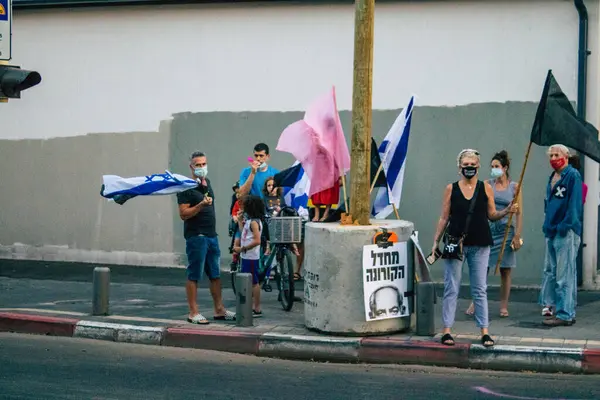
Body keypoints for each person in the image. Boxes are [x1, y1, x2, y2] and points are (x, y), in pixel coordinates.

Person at [431, 149, 518, 348]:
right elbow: (444, 217)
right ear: (459, 167)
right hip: (455, 243)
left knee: (479, 288)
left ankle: (484, 331)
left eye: (472, 165)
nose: (469, 168)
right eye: (465, 165)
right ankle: (447, 330)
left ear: (478, 166)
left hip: (480, 242)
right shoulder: (451, 189)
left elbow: (492, 214)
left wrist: (507, 211)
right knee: (451, 286)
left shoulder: (485, 188)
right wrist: (436, 241)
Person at [177, 151, 236, 324]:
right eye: (198, 165)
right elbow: (183, 214)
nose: (202, 167)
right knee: (194, 274)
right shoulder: (185, 187)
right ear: (191, 167)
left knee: (215, 275)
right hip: (197, 236)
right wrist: (201, 204)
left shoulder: (206, 183)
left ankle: (219, 310)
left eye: (204, 164)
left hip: (211, 235)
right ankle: (193, 312)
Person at [465, 150, 523, 318]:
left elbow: (519, 213)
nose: (494, 169)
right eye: (492, 167)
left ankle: (503, 306)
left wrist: (517, 235)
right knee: (482, 268)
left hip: (506, 232)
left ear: (505, 168)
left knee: (506, 270)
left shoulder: (514, 187)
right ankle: (475, 301)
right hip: (489, 229)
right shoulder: (486, 184)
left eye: (496, 166)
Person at [539, 144, 583, 326]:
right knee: (551, 271)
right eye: (551, 155)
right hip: (551, 230)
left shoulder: (572, 176)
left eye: (557, 154)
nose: (553, 158)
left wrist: (565, 226)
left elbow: (574, 205)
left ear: (566, 156)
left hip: (565, 231)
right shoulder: (553, 177)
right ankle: (555, 306)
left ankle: (565, 313)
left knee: (564, 274)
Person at [233, 195, 265, 318]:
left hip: (251, 256)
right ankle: (251, 306)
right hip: (246, 256)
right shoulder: (250, 221)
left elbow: (257, 240)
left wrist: (242, 248)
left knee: (254, 282)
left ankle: (256, 307)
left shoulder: (254, 223)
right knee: (249, 281)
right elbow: (244, 233)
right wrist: (241, 221)